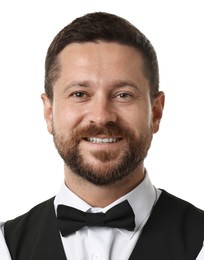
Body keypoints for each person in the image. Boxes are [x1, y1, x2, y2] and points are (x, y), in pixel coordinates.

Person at [2, 12, 204, 260]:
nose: (101, 116)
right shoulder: (5, 246)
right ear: (49, 112)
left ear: (156, 111)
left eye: (123, 94)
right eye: (79, 94)